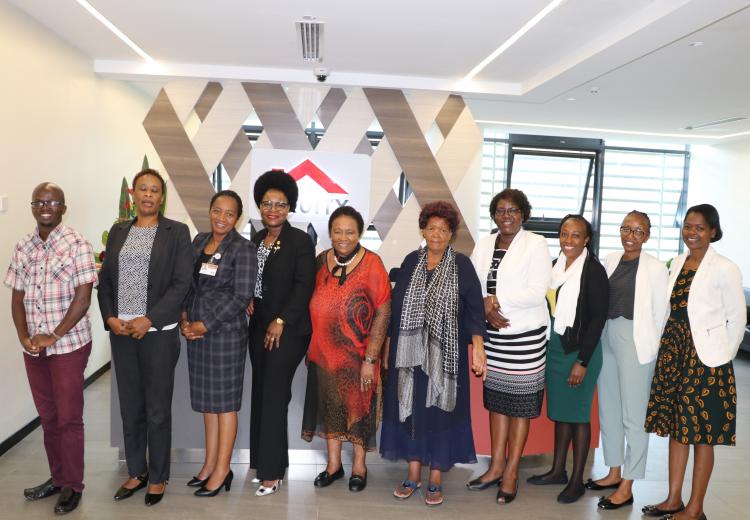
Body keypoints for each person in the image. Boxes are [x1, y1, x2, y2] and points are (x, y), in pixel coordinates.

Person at [380, 201, 487, 507]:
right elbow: (396, 308)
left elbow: (475, 309)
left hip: (446, 357)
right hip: (409, 355)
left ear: (451, 234)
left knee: (440, 413)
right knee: (412, 408)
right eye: (431, 228)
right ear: (423, 231)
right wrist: (388, 347)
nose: (437, 234)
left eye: (443, 229)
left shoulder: (461, 265)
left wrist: (479, 346)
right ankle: (413, 472)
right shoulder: (411, 261)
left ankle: (436, 475)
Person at [642, 204, 745, 520]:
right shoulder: (677, 263)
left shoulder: (725, 267)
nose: (692, 232)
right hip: (674, 353)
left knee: (702, 433)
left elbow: (737, 318)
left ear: (712, 231)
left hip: (706, 361)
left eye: (699, 227)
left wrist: (721, 356)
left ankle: (695, 508)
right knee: (678, 428)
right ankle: (673, 499)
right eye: (688, 226)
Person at [97, 169, 192, 507]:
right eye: (143, 189)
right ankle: (136, 471)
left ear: (162, 197)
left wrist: (148, 319)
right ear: (133, 195)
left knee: (157, 410)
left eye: (154, 190)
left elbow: (182, 283)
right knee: (131, 407)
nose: (148, 195)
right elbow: (106, 282)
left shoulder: (176, 232)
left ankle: (158, 476)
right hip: (122, 333)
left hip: (157, 334)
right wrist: (110, 317)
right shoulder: (119, 231)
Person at [5, 182, 97, 515]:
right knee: (48, 417)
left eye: (52, 202)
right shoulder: (23, 247)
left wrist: (53, 336)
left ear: (63, 208)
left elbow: (83, 300)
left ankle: (73, 485)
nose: (45, 207)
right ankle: (58, 479)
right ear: (33, 208)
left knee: (69, 418)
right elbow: (17, 298)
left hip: (69, 346)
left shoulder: (78, 244)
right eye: (39, 202)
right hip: (34, 350)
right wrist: (23, 336)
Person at [467, 189, 552, 504]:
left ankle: (512, 471)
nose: (506, 216)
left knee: (520, 407)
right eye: (501, 210)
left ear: (523, 214)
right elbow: (472, 284)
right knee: (497, 402)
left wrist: (495, 301)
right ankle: (496, 467)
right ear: (494, 215)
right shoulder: (485, 243)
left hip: (525, 336)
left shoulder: (536, 243)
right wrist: (484, 305)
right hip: (494, 337)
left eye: (513, 210)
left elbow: (537, 291)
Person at [301, 206, 391, 492]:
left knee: (358, 410)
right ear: (330, 233)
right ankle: (333, 465)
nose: (343, 237)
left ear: (360, 233)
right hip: (323, 353)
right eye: (337, 231)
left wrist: (370, 359)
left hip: (359, 355)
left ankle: (359, 467)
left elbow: (383, 312)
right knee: (330, 409)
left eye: (350, 232)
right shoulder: (320, 261)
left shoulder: (372, 263)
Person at [588, 211, 669, 510]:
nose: (630, 236)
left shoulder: (656, 268)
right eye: (626, 229)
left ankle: (628, 484)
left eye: (638, 231)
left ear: (647, 236)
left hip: (636, 340)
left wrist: (652, 348)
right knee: (609, 408)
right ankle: (613, 471)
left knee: (634, 416)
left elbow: (662, 313)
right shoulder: (610, 260)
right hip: (607, 335)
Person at [527, 214, 609, 504]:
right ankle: (557, 471)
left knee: (578, 417)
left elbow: (598, 319)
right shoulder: (554, 267)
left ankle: (576, 481)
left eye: (576, 235)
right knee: (562, 414)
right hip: (556, 348)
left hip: (580, 352)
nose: (569, 240)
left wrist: (583, 361)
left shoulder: (593, 271)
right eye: (564, 233)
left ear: (586, 239)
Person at [180, 190, 256, 497]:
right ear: (210, 210)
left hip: (225, 335)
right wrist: (185, 317)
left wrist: (205, 324)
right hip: (197, 333)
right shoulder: (199, 241)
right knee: (208, 406)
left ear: (237, 218)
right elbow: (188, 284)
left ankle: (223, 469)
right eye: (217, 210)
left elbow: (241, 296)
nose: (221, 218)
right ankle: (209, 464)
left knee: (224, 406)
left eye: (229, 213)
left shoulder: (243, 248)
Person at [248, 170, 316, 496]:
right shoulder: (256, 240)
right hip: (258, 327)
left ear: (290, 208)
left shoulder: (300, 241)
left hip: (288, 330)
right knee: (262, 393)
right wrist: (248, 298)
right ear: (259, 206)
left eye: (280, 204)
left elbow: (304, 286)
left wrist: (281, 320)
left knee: (275, 395)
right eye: (267, 203)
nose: (272, 209)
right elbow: (252, 280)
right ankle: (265, 462)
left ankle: (271, 473)